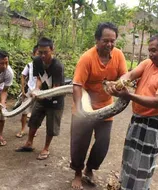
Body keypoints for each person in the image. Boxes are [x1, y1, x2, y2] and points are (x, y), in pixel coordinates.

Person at [108, 33, 158, 190]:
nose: (150, 54)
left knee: (142, 162)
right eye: (149, 50)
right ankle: (126, 186)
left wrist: (128, 95)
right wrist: (120, 83)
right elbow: (131, 74)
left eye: (154, 50)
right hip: (138, 117)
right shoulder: (149, 63)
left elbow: (157, 102)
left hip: (154, 122)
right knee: (130, 157)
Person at [70, 22, 127, 189]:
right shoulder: (87, 58)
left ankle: (90, 169)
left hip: (105, 107)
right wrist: (80, 110)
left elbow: (124, 76)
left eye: (113, 41)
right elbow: (77, 85)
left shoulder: (118, 55)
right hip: (84, 107)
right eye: (105, 40)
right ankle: (78, 173)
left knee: (103, 143)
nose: (109, 44)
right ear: (97, 40)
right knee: (80, 143)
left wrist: (120, 86)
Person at [15, 37, 64, 160]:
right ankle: (29, 143)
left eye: (45, 52)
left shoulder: (57, 66)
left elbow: (56, 87)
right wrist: (36, 90)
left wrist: (42, 94)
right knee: (34, 120)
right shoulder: (37, 61)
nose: (42, 55)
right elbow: (38, 78)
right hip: (41, 97)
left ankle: (46, 148)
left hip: (55, 100)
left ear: (52, 50)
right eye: (40, 52)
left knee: (51, 126)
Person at [16, 45, 39, 138]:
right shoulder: (29, 65)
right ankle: (22, 130)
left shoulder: (44, 66)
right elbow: (23, 76)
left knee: (36, 113)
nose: (39, 55)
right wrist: (22, 90)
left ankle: (33, 130)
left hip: (38, 93)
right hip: (29, 91)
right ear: (33, 54)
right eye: (38, 53)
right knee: (24, 112)